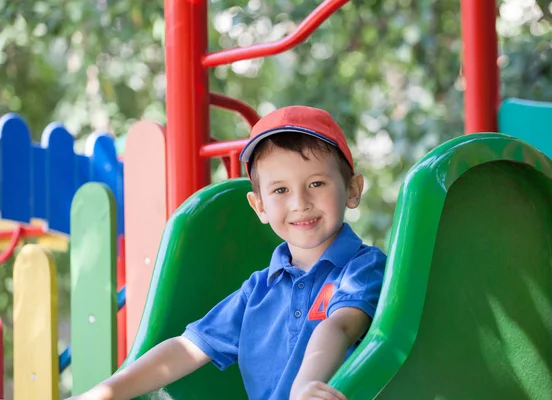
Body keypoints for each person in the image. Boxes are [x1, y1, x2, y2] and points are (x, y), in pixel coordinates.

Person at [69, 105, 387, 400]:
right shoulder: (257, 292)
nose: (299, 202)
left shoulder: (363, 267)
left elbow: (340, 325)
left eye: (316, 183)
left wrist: (305, 387)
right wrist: (106, 392)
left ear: (353, 189)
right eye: (280, 190)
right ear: (259, 205)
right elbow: (185, 349)